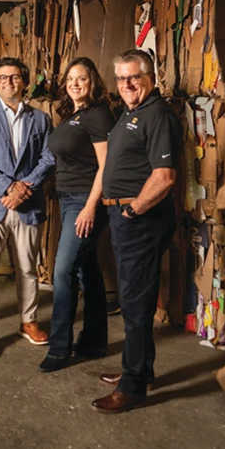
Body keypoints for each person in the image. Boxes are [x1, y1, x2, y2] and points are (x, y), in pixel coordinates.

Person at [92, 49, 182, 414]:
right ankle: (140, 371)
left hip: (140, 220)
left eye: (134, 77)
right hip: (126, 218)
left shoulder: (158, 115)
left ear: (150, 78)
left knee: (135, 302)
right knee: (134, 300)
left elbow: (164, 177)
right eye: (121, 78)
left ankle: (132, 387)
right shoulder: (133, 112)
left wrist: (131, 211)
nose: (127, 84)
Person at [0, 57, 55, 361]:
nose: (8, 82)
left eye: (14, 77)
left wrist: (24, 188)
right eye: (2, 78)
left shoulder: (40, 119)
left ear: (24, 82)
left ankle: (28, 321)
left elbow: (48, 158)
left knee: (28, 269)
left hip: (27, 206)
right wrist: (8, 187)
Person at [39, 57, 115, 373]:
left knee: (63, 271)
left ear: (93, 81)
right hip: (67, 199)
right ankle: (95, 341)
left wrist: (90, 207)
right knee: (87, 270)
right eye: (70, 78)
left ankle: (59, 348)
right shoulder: (73, 114)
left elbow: (106, 165)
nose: (75, 83)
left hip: (85, 200)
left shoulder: (98, 115)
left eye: (81, 78)